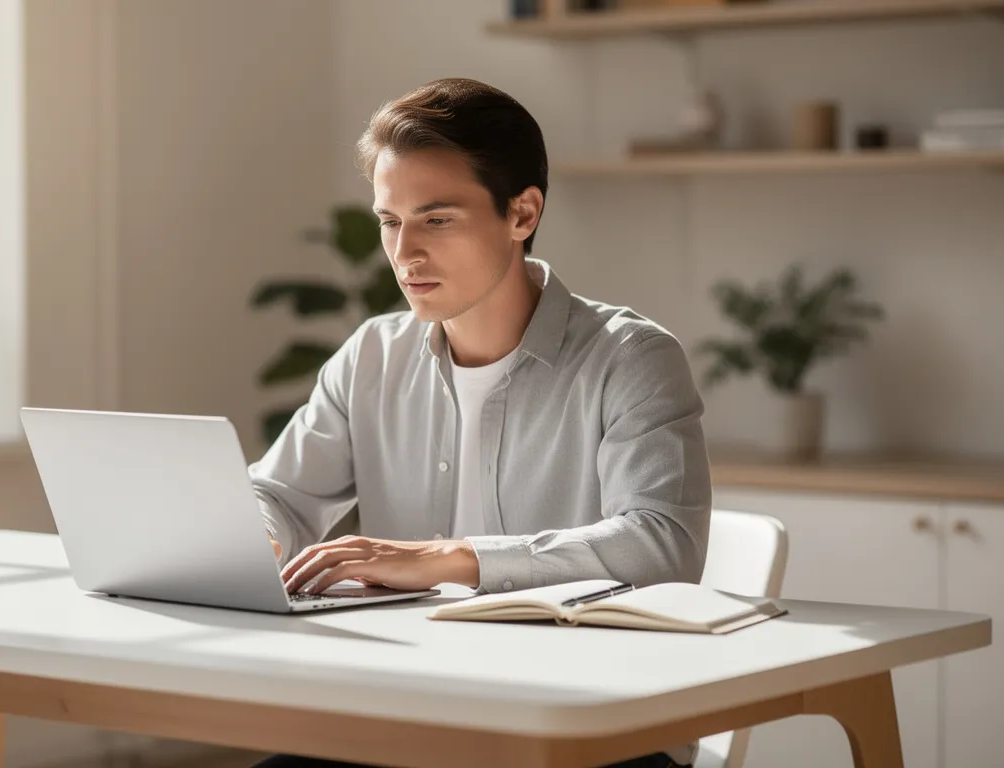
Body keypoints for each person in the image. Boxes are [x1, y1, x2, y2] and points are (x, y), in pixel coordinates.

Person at [248, 77, 711, 768]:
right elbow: (279, 495)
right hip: (416, 713)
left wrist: (451, 559)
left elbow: (661, 545)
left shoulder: (631, 358)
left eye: (436, 219)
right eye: (388, 220)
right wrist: (254, 539)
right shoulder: (371, 356)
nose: (405, 254)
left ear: (522, 214)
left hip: (586, 732)